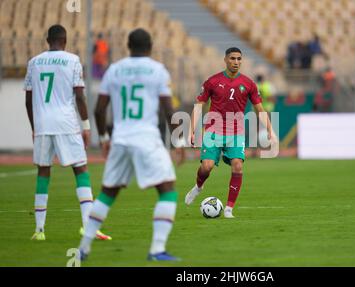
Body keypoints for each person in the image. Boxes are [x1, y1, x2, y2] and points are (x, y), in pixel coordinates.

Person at [78, 28, 183, 261]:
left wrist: (105, 139)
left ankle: (84, 247)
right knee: (167, 189)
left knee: (108, 193)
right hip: (146, 137)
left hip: (121, 138)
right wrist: (179, 140)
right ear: (151, 46)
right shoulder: (157, 70)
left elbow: (98, 109)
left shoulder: (113, 70)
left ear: (128, 45)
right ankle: (157, 249)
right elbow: (168, 108)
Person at [24, 25, 111, 241]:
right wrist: (86, 126)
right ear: (65, 41)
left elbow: (28, 100)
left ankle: (39, 230)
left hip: (43, 124)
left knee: (43, 171)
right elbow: (79, 96)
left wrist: (34, 128)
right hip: (66, 123)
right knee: (80, 169)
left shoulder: (33, 62)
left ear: (47, 40)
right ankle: (88, 227)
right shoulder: (72, 60)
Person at [184, 47, 277, 218]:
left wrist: (271, 130)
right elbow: (199, 106)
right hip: (213, 130)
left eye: (239, 59)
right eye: (232, 58)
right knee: (207, 167)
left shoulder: (249, 84)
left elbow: (260, 109)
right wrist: (191, 130)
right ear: (225, 60)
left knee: (238, 165)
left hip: (236, 132)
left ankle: (228, 209)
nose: (236, 62)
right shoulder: (212, 81)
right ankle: (198, 187)